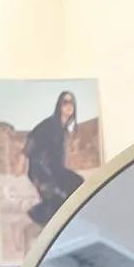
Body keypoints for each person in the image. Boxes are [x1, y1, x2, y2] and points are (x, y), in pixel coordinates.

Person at [25, 91, 84, 228]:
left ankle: (47, 220)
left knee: (78, 184)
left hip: (55, 170)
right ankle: (32, 217)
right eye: (65, 102)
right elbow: (33, 137)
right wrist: (23, 158)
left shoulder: (63, 130)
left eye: (72, 103)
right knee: (56, 196)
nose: (69, 106)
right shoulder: (50, 123)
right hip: (41, 169)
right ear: (59, 105)